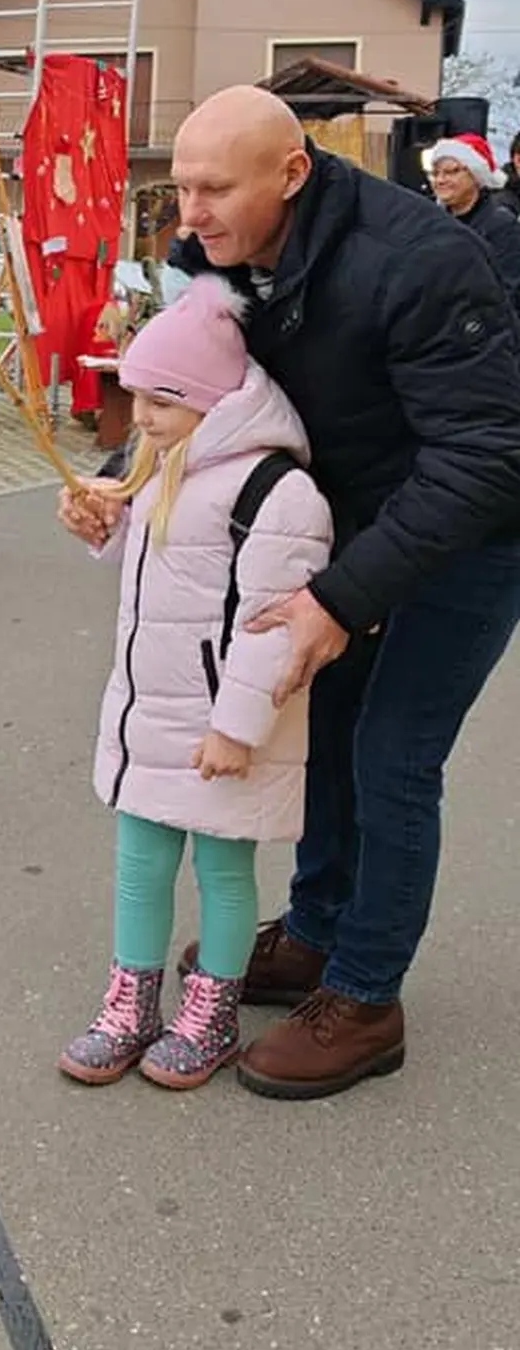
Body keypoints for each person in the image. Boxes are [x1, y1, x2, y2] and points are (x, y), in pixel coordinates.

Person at [77, 83, 520, 1100]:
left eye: (213, 187)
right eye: (182, 186)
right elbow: (197, 390)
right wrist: (123, 482)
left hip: (472, 536)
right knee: (325, 726)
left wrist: (339, 596)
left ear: (291, 171)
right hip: (351, 519)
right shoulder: (222, 253)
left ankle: (367, 996)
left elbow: (488, 453)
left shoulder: (419, 259)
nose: (189, 213)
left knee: (393, 751)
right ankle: (317, 931)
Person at [56, 275, 332, 1089]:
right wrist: (103, 527)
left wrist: (236, 728)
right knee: (139, 862)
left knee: (221, 868)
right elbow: (159, 584)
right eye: (137, 396)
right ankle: (132, 999)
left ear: (215, 401)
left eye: (161, 403)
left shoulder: (278, 493)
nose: (140, 416)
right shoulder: (160, 467)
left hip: (224, 722)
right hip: (150, 711)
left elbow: (272, 626)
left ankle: (213, 1007)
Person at [423, 130, 520, 313]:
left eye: (451, 172)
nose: (441, 180)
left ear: (476, 175)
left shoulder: (501, 225)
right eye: (435, 173)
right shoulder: (429, 223)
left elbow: (508, 291)